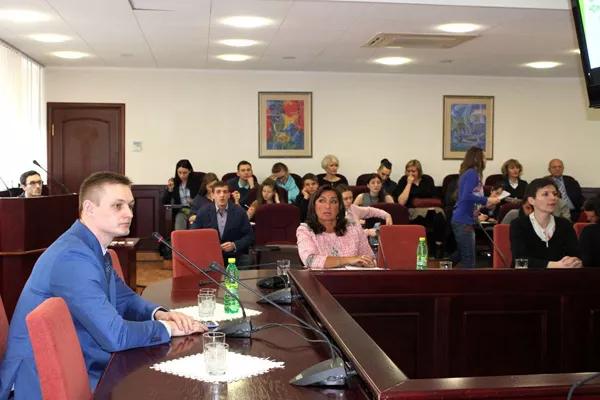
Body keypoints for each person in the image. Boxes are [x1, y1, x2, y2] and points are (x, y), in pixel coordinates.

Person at [0, 172, 207, 399]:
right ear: (89, 208)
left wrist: (160, 315)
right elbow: (115, 336)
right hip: (42, 378)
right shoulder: (73, 257)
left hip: (78, 357)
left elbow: (125, 298)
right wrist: (168, 329)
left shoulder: (92, 248)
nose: (129, 213)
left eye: (130, 206)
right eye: (118, 206)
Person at [296, 185, 376, 269]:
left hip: (353, 276)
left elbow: (371, 258)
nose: (327, 206)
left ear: (339, 207)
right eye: (322, 201)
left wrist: (367, 263)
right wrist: (349, 260)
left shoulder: (354, 227)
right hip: (319, 277)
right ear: (313, 206)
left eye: (333, 201)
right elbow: (310, 260)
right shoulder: (305, 230)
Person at [510, 178, 581, 269]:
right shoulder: (519, 224)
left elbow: (576, 255)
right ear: (532, 200)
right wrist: (555, 265)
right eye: (545, 194)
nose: (553, 198)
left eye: (555, 194)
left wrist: (576, 262)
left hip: (561, 276)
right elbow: (519, 262)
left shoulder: (565, 224)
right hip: (529, 276)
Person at [450, 147, 501, 268]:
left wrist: (486, 204)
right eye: (484, 157)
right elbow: (466, 196)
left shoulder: (471, 174)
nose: (486, 160)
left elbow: (472, 199)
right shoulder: (472, 173)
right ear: (477, 159)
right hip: (463, 221)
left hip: (465, 219)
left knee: (462, 254)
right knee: (469, 263)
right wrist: (488, 199)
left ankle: (441, 270)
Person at [191, 181, 254, 268]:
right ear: (212, 195)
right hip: (211, 256)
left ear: (229, 195)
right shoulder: (203, 212)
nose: (222, 195)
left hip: (233, 256)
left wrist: (234, 245)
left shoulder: (239, 212)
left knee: (247, 260)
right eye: (218, 192)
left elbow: (250, 236)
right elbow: (193, 235)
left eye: (225, 192)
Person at [396, 160, 446, 258]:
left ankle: (438, 248)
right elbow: (401, 202)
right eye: (408, 171)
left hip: (431, 208)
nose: (411, 173)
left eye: (413, 171)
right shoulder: (403, 181)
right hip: (414, 210)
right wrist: (409, 184)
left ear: (419, 171)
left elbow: (435, 196)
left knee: (439, 217)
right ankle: (421, 249)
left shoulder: (427, 180)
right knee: (420, 219)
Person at [162, 159, 202, 231]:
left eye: (185, 173)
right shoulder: (174, 182)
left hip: (195, 210)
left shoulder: (197, 182)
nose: (182, 175)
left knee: (195, 225)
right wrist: (170, 190)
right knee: (180, 221)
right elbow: (164, 202)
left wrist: (194, 201)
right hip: (181, 211)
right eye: (179, 172)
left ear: (190, 171)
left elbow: (202, 197)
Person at [580, 199, 600, 267]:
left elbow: (586, 260)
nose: (588, 218)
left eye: (592, 216)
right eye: (587, 215)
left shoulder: (588, 231)